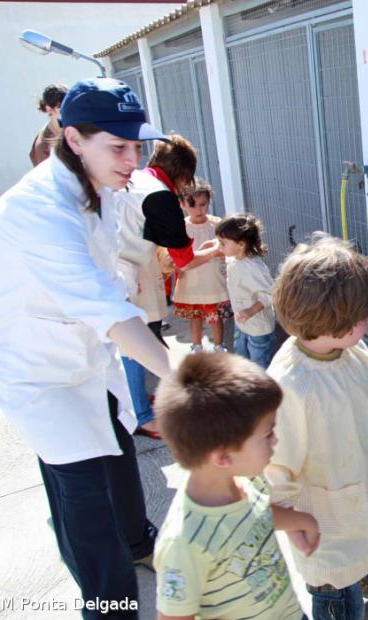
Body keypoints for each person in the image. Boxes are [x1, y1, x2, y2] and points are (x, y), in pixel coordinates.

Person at [0, 77, 173, 619]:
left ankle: (139, 543)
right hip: (35, 371)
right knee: (83, 493)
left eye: (138, 146)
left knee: (117, 448)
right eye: (119, 147)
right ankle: (109, 607)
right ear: (72, 138)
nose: (132, 159)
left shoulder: (101, 181)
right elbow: (105, 310)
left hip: (81, 353)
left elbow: (108, 258)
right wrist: (183, 376)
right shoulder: (35, 207)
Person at [265, 232, 368, 620]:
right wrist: (293, 523)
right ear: (333, 325)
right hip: (325, 524)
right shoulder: (291, 387)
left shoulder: (354, 351)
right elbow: (277, 466)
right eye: (363, 319)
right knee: (338, 600)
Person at [152, 353, 318, 620]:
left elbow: (257, 513)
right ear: (223, 457)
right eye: (268, 434)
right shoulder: (184, 543)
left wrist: (300, 521)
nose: (276, 440)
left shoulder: (247, 479)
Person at [115, 134, 216, 439]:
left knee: (144, 336)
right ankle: (143, 417)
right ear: (183, 175)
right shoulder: (162, 197)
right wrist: (215, 251)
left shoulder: (139, 179)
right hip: (128, 275)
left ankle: (143, 402)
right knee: (132, 344)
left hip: (125, 267)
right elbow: (183, 260)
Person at [173, 179, 231, 353]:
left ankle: (219, 346)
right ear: (182, 204)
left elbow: (226, 246)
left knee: (215, 316)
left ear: (209, 202)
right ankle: (196, 346)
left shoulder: (217, 224)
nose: (199, 210)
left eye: (203, 204)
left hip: (213, 278)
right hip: (191, 278)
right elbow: (174, 253)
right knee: (195, 315)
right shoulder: (180, 227)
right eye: (193, 205)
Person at [216, 213, 278, 368]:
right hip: (242, 323)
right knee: (242, 359)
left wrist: (251, 311)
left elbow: (269, 294)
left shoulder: (254, 268)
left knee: (259, 364)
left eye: (223, 243)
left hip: (258, 328)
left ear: (241, 244)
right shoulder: (235, 261)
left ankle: (263, 390)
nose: (219, 247)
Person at [30, 83, 67, 166]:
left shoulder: (71, 127)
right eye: (61, 107)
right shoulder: (43, 147)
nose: (67, 110)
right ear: (49, 109)